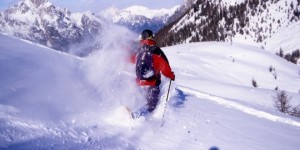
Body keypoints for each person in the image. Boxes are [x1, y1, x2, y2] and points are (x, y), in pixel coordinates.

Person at [131, 29, 175, 119]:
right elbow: (165, 65)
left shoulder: (139, 51)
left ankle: (130, 113)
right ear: (151, 37)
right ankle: (136, 116)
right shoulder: (156, 51)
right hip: (152, 84)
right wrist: (171, 75)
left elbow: (132, 59)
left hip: (138, 84)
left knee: (139, 101)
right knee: (150, 106)